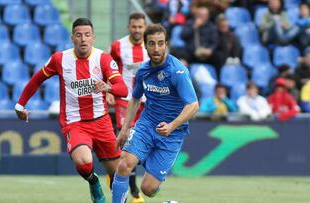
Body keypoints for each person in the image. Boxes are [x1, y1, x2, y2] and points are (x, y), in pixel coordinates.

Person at [14, 18, 128, 203]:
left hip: (102, 121)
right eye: (79, 35)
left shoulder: (103, 59)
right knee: (84, 162)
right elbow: (37, 80)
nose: (83, 39)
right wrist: (20, 105)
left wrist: (108, 88)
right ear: (72, 38)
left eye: (87, 35)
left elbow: (122, 89)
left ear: (93, 38)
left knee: (118, 174)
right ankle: (93, 181)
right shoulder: (60, 59)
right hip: (74, 123)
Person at [111, 24, 199, 203]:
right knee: (124, 165)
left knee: (148, 189)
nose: (156, 48)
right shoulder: (143, 70)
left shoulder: (177, 71)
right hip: (146, 125)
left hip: (172, 134)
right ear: (145, 46)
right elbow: (135, 99)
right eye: (152, 43)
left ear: (166, 44)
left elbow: (193, 105)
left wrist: (172, 125)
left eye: (160, 43)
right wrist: (124, 130)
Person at [108, 12, 149, 203]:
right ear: (128, 27)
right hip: (125, 100)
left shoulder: (151, 46)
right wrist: (108, 91)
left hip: (147, 102)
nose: (137, 30)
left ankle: (123, 181)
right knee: (126, 142)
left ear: (145, 27)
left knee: (140, 144)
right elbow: (107, 68)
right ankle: (132, 189)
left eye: (140, 27)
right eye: (134, 27)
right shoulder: (118, 46)